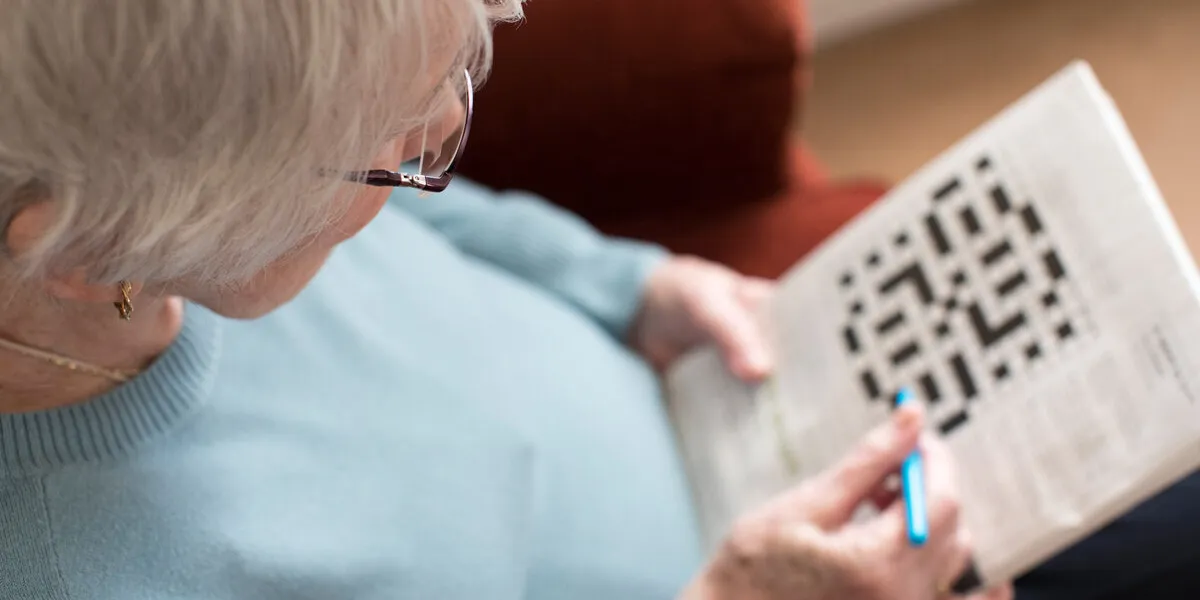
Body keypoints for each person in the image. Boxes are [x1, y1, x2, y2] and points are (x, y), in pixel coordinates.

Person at [0, 1, 1074, 599]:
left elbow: (436, 222)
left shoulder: (196, 231)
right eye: (398, 151)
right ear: (94, 249)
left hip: (719, 419)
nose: (433, 153)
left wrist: (626, 283)